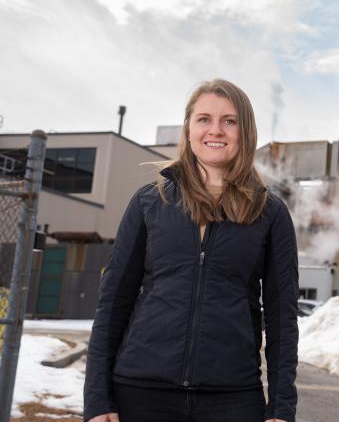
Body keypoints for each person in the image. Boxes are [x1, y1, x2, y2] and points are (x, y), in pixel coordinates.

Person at [84, 79, 298, 422]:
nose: (216, 130)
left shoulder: (269, 213)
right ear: (189, 128)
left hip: (232, 398)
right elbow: (112, 302)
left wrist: (282, 408)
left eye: (229, 120)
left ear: (246, 131)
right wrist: (97, 400)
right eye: (204, 119)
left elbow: (282, 317)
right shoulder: (149, 202)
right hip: (141, 393)